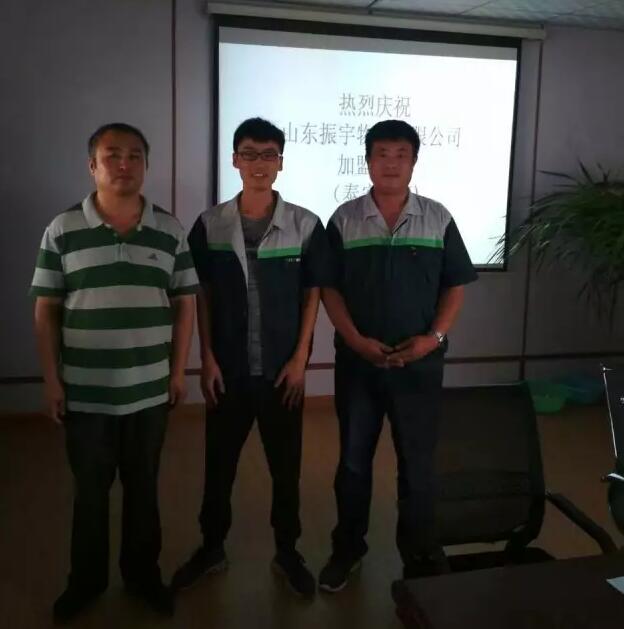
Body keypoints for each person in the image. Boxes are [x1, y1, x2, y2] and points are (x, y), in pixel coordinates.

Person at [30, 122, 197, 621]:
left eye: (135, 156)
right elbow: (45, 309)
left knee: (144, 490)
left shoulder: (169, 229)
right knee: (90, 493)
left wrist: (177, 372)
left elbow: (185, 303)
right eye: (112, 155)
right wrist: (52, 380)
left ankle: (143, 577)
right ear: (93, 166)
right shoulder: (63, 229)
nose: (124, 165)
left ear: (146, 165)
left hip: (148, 390)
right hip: (86, 392)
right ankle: (86, 583)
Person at [318, 119, 477, 591]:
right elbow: (329, 288)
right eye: (382, 154)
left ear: (414, 162)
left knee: (418, 465)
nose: (391, 164)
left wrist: (434, 338)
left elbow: (455, 286)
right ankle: (348, 548)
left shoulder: (438, 218)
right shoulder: (344, 219)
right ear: (367, 161)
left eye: (401, 155)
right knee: (353, 463)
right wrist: (354, 340)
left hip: (420, 365)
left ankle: (420, 554)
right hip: (359, 366)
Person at [172, 118, 329, 598]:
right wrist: (207, 358)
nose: (259, 163)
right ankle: (211, 548)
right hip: (229, 370)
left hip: (282, 372)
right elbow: (201, 293)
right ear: (234, 160)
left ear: (280, 162)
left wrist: (301, 359)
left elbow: (313, 295)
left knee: (286, 468)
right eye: (249, 154)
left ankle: (287, 552)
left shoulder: (305, 224)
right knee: (219, 466)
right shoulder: (211, 224)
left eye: (268, 155)